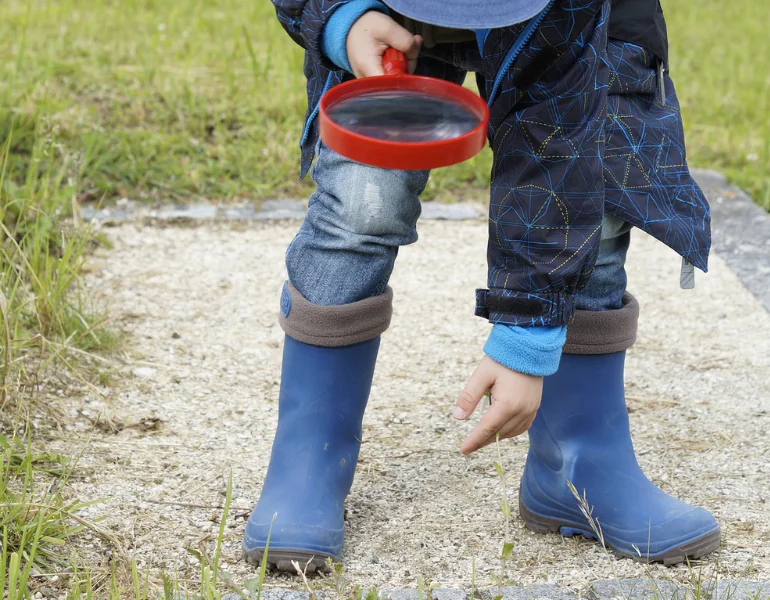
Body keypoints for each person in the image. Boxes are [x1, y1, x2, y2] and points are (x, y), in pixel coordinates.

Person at [242, 0, 719, 571]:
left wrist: (528, 336)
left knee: (599, 191)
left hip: (580, 18)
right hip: (384, 11)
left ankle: (578, 465)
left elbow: (555, 151)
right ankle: (308, 459)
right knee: (363, 203)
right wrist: (340, 19)